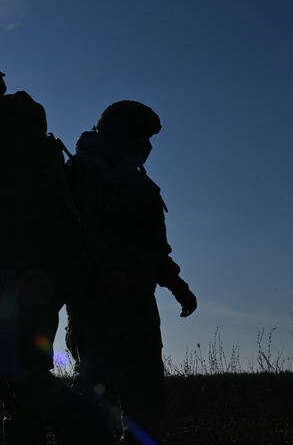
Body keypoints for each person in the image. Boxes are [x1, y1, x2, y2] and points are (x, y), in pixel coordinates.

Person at [0, 62, 109, 445]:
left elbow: (8, 196)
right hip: (37, 265)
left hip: (30, 268)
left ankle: (88, 432)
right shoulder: (18, 128)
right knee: (16, 370)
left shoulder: (6, 132)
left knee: (17, 369)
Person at [64, 100, 198, 444]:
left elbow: (153, 247)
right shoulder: (85, 172)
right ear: (126, 135)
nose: (148, 145)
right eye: (143, 136)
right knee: (96, 395)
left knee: (145, 397)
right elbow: (78, 231)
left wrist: (177, 286)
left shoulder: (136, 180)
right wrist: (107, 271)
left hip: (135, 301)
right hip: (96, 301)